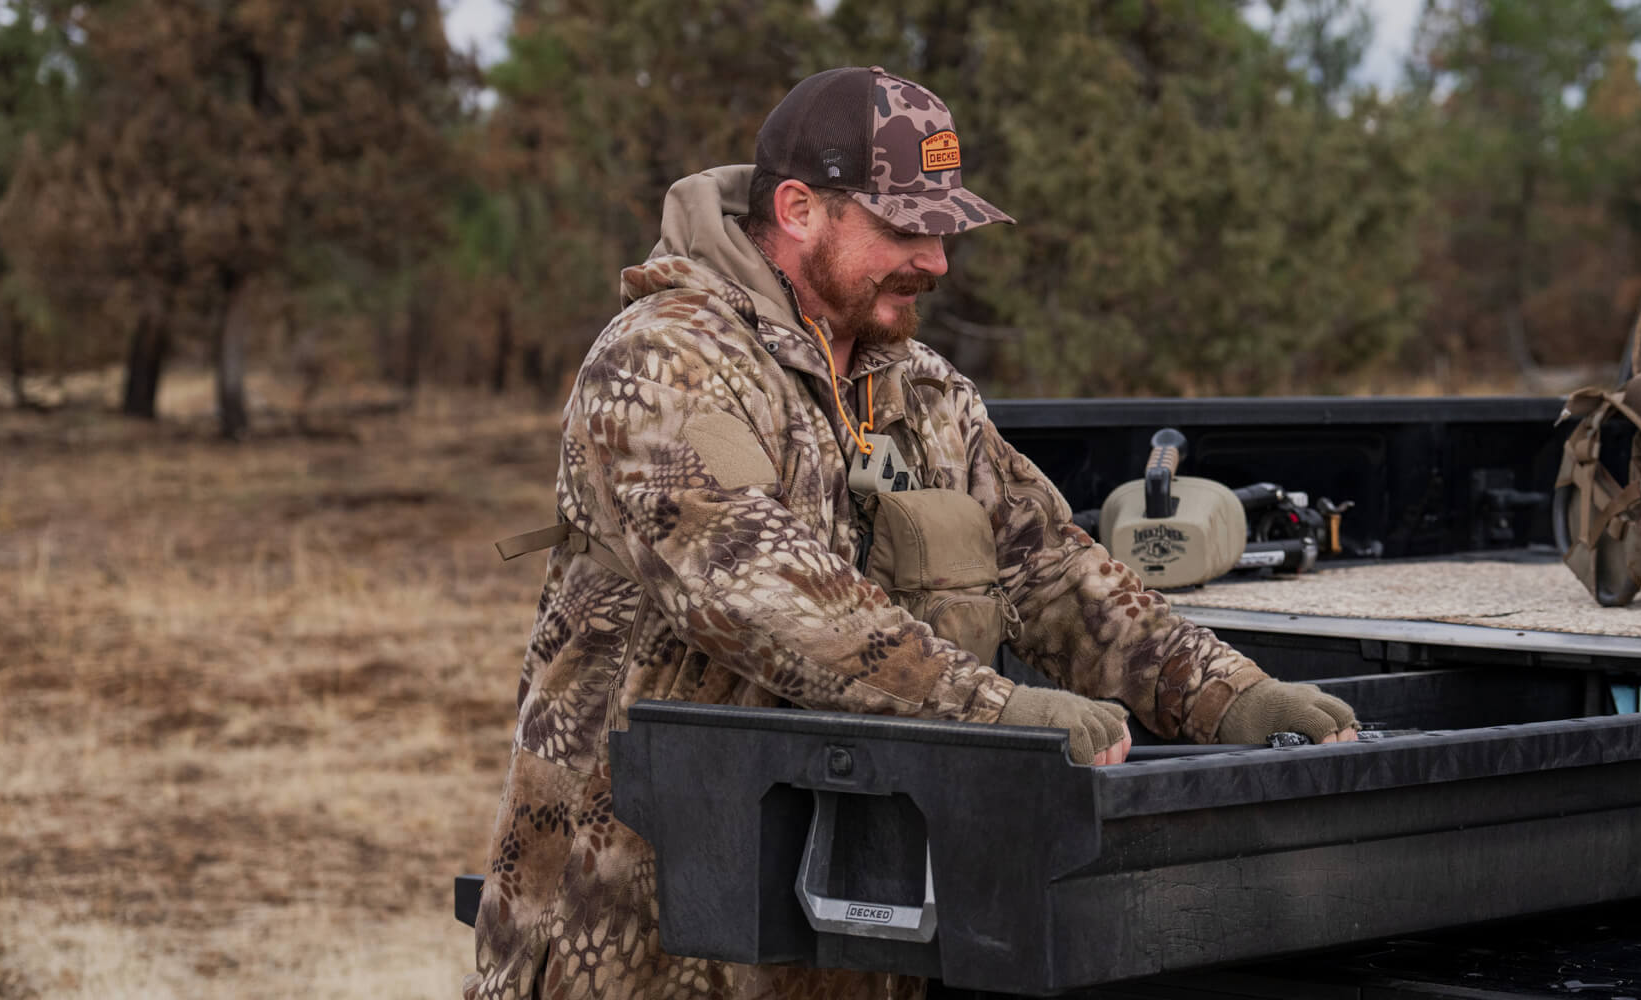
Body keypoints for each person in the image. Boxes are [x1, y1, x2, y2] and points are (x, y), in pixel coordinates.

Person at [464, 66, 1358, 1000]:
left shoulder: (923, 389)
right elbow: (763, 590)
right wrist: (995, 717)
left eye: (944, 232)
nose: (937, 262)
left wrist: (1231, 697)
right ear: (799, 208)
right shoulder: (663, 361)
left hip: (849, 946)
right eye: (905, 230)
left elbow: (1054, 570)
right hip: (638, 938)